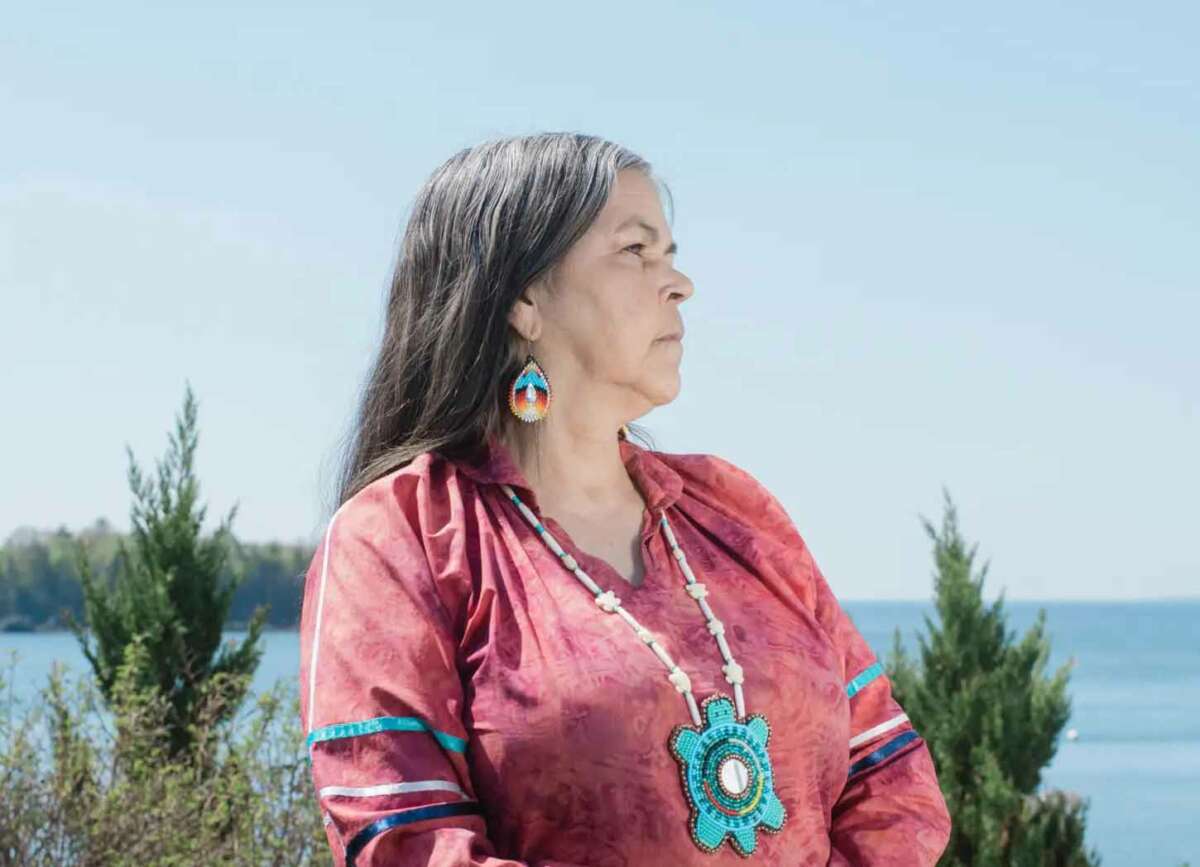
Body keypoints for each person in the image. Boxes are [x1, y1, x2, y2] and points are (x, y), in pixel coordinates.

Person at [298, 132, 952, 866]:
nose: (680, 285)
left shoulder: (733, 511)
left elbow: (890, 772)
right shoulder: (400, 538)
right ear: (522, 297)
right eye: (636, 251)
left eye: (671, 255)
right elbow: (407, 842)